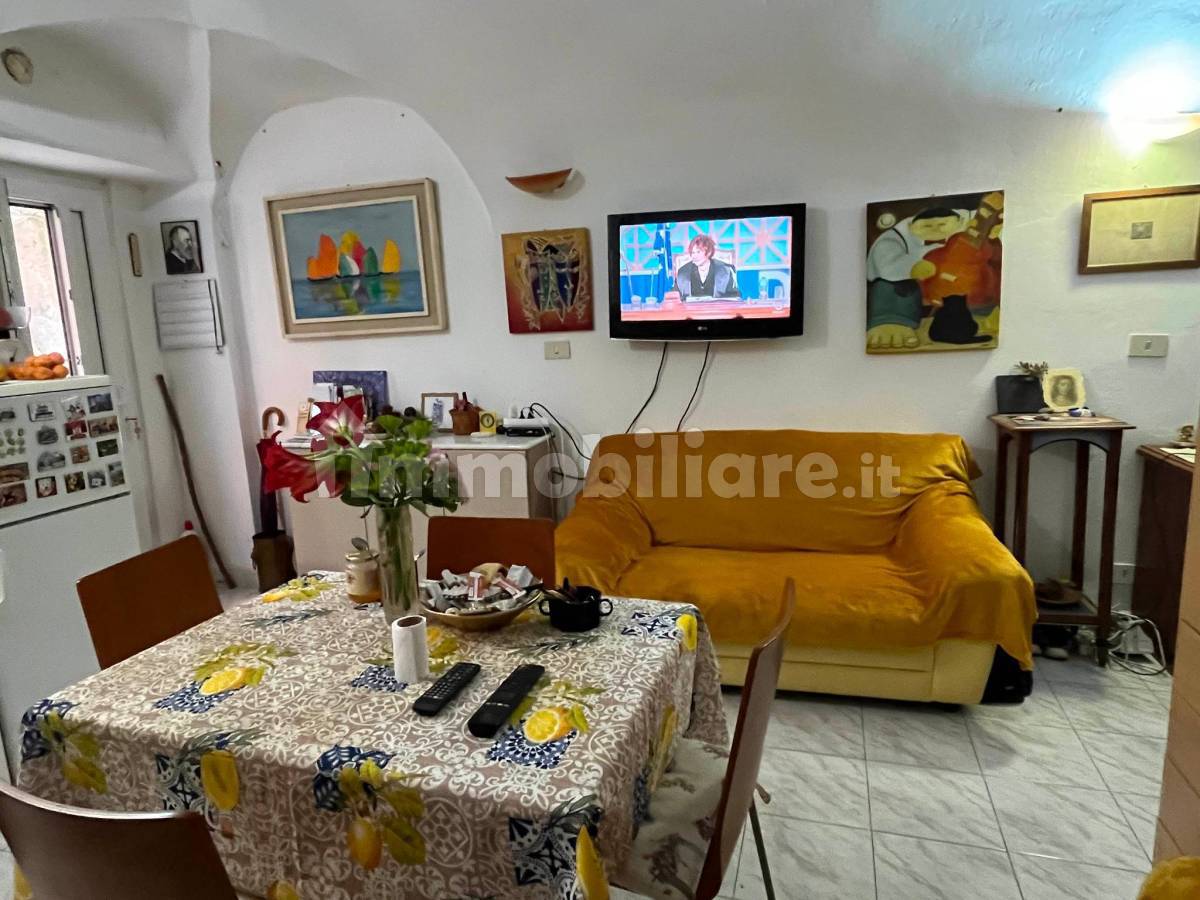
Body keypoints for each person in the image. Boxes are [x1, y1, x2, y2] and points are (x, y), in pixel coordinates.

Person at [866, 207, 967, 350]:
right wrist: (912, 267)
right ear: (910, 226)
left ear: (960, 222)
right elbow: (885, 259)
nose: (936, 229)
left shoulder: (968, 229)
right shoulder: (894, 237)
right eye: (927, 226)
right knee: (894, 284)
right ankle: (891, 320)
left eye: (942, 224)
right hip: (910, 291)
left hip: (953, 290)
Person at [674, 235, 740, 300]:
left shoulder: (726, 270)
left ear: (709, 252)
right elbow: (675, 297)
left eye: (698, 252)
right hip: (691, 307)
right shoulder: (683, 272)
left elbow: (735, 297)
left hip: (718, 307)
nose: (694, 256)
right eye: (693, 252)